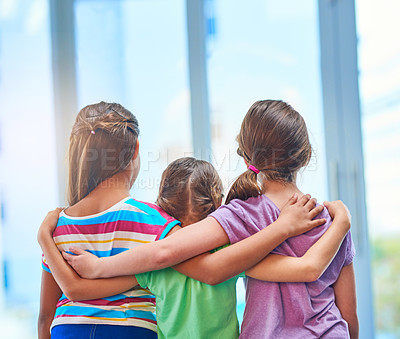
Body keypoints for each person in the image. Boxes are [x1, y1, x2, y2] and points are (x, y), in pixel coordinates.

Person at [38, 100, 355, 337]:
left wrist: (96, 265)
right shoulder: (330, 220)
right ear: (306, 155)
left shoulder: (243, 215)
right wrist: (340, 224)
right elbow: (349, 316)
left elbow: (169, 254)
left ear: (245, 155)